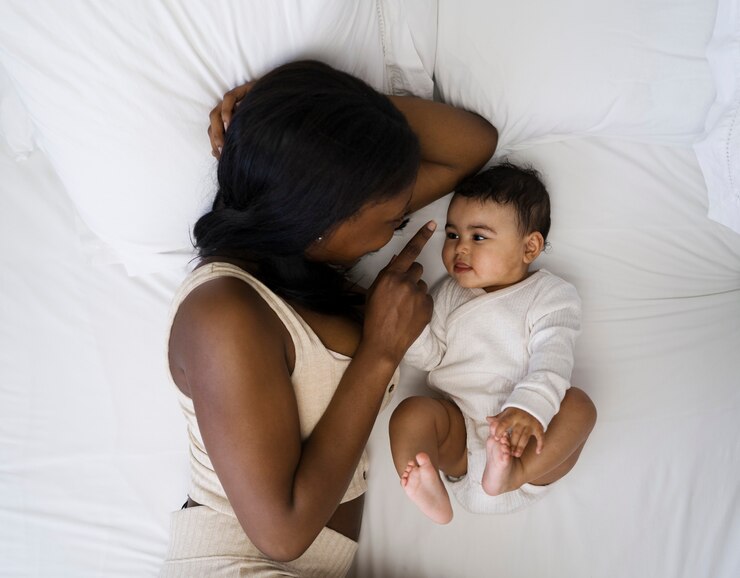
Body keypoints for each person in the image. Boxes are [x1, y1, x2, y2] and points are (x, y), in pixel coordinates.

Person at [159, 60, 498, 577]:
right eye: (392, 220)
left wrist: (311, 121)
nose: (392, 232)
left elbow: (471, 145)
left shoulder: (307, 258)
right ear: (317, 220)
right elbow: (282, 531)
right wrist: (381, 351)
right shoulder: (223, 315)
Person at [389, 163, 597, 524]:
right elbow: (429, 356)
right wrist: (409, 319)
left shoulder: (551, 295)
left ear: (529, 246)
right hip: (461, 434)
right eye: (452, 235)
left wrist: (531, 407)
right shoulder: (450, 294)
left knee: (580, 407)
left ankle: (510, 476)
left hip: (528, 445)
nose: (460, 250)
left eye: (478, 237)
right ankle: (428, 484)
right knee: (410, 413)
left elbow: (554, 358)